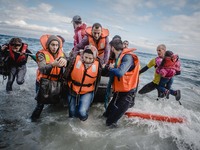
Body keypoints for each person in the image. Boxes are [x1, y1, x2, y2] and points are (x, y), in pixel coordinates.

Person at [103, 39, 140, 127]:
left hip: (127, 96)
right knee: (105, 116)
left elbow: (120, 72)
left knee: (110, 123)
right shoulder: (118, 58)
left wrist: (110, 68)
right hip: (118, 94)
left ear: (112, 48)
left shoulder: (127, 57)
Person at [30, 35, 67, 122]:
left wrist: (66, 61)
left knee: (54, 101)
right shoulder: (41, 54)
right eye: (52, 45)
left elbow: (68, 62)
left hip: (55, 81)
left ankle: (50, 122)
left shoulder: (62, 54)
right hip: (42, 82)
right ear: (48, 45)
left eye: (56, 45)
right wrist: (53, 64)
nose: (54, 47)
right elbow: (42, 69)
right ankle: (33, 121)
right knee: (40, 104)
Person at [65, 45, 101, 121]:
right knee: (71, 112)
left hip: (87, 91)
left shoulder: (99, 65)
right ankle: (72, 127)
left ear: (94, 58)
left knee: (82, 112)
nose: (87, 60)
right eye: (86, 57)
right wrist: (62, 60)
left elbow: (107, 71)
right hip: (72, 88)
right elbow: (66, 60)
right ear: (82, 55)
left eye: (90, 58)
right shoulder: (74, 59)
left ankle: (84, 121)